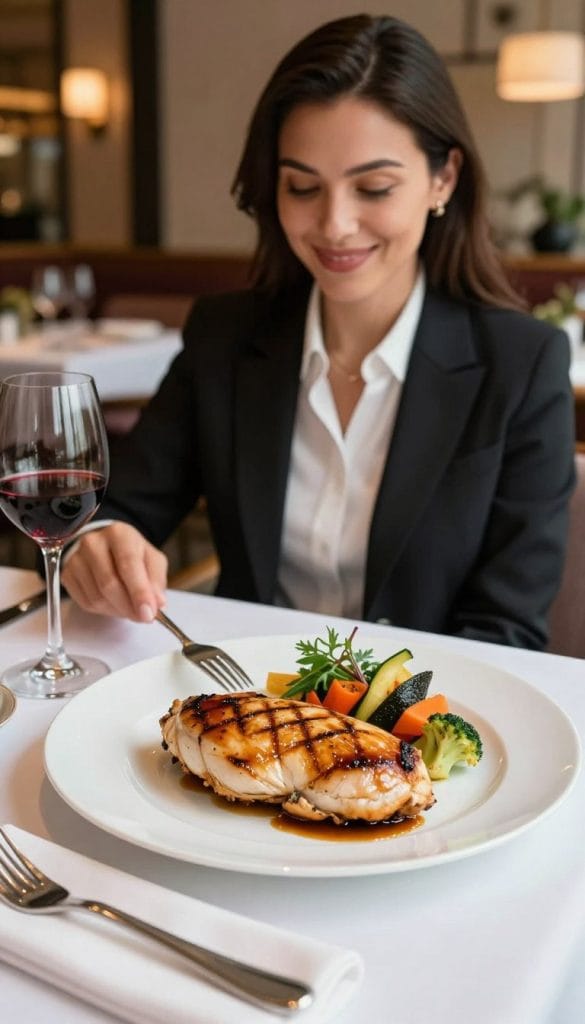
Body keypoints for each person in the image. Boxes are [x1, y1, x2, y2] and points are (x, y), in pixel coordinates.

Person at [62, 13, 575, 650]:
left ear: (443, 180)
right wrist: (95, 545)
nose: (334, 225)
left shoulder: (521, 365)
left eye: (374, 187)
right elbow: (119, 511)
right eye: (303, 187)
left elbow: (506, 630)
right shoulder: (225, 338)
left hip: (425, 723)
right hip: (247, 714)